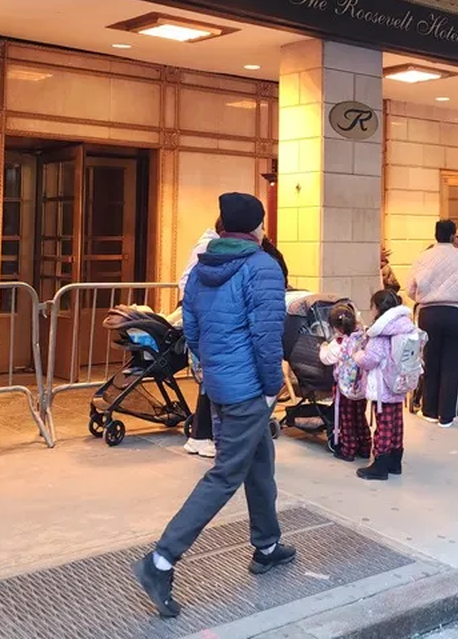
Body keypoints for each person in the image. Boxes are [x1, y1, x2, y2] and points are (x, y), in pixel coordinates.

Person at [133, 193, 291, 619]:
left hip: (220, 384)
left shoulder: (204, 266)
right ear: (257, 227)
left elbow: (193, 328)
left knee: (259, 461)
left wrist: (209, 369)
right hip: (249, 388)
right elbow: (266, 336)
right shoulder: (262, 267)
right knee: (225, 475)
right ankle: (161, 560)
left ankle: (267, 545)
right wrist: (271, 387)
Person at [408, 219, 458, 426]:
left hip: (429, 313)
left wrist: (423, 298)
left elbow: (410, 288)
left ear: (436, 235)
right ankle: (446, 416)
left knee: (431, 360)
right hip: (457, 313)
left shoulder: (422, 258)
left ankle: (429, 411)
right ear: (453, 236)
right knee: (452, 363)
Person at [352, 290, 419, 480]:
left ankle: (380, 464)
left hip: (383, 385)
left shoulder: (381, 332)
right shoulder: (405, 326)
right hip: (399, 381)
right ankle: (395, 461)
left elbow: (371, 359)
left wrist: (357, 356)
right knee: (396, 422)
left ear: (378, 308)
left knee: (384, 424)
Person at [179, 218, 222, 460]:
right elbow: (188, 285)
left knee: (208, 381)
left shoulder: (208, 246)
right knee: (210, 381)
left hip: (204, 323)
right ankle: (204, 436)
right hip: (206, 323)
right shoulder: (208, 248)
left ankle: (199, 435)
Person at [320, 301, 369, 462]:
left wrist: (323, 347)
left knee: (347, 419)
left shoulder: (338, 343)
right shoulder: (363, 336)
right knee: (360, 416)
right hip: (361, 386)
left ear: (337, 328)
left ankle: (348, 449)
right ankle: (365, 446)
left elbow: (326, 359)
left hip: (344, 388)